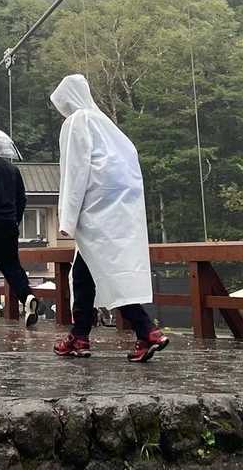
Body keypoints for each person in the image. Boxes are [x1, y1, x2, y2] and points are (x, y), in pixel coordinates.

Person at [49, 74, 170, 363]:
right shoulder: (108, 125)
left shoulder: (76, 121)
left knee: (105, 272)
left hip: (95, 208)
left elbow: (75, 170)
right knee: (86, 272)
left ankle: (147, 330)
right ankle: (79, 336)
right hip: (120, 209)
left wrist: (67, 218)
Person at [0, 151, 40, 328]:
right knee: (12, 265)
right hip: (9, 225)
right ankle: (27, 296)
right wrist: (15, 219)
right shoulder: (12, 169)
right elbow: (22, 199)